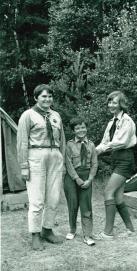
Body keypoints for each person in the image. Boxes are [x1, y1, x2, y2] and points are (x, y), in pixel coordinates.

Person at [17, 84, 66, 250]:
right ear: (36, 98)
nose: (47, 99)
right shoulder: (28, 115)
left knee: (53, 197)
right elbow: (22, 142)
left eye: (50, 96)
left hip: (55, 156)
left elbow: (63, 141)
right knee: (37, 199)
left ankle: (47, 230)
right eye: (44, 96)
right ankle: (35, 235)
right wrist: (24, 166)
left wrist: (63, 161)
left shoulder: (56, 116)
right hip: (35, 156)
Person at [95, 91, 137, 239]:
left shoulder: (127, 121)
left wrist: (101, 150)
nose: (111, 105)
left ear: (121, 104)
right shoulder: (111, 122)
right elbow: (105, 141)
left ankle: (108, 232)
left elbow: (121, 142)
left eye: (115, 102)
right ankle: (130, 229)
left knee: (108, 192)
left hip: (125, 158)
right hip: (115, 158)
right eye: (110, 102)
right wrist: (94, 151)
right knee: (118, 198)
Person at [64, 117, 98, 246]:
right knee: (73, 205)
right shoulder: (69, 144)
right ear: (73, 130)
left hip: (86, 176)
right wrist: (76, 179)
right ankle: (72, 229)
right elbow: (67, 163)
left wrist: (90, 179)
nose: (81, 130)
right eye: (77, 128)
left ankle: (87, 235)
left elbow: (94, 164)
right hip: (71, 178)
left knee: (86, 206)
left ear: (86, 128)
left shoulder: (91, 144)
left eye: (83, 127)